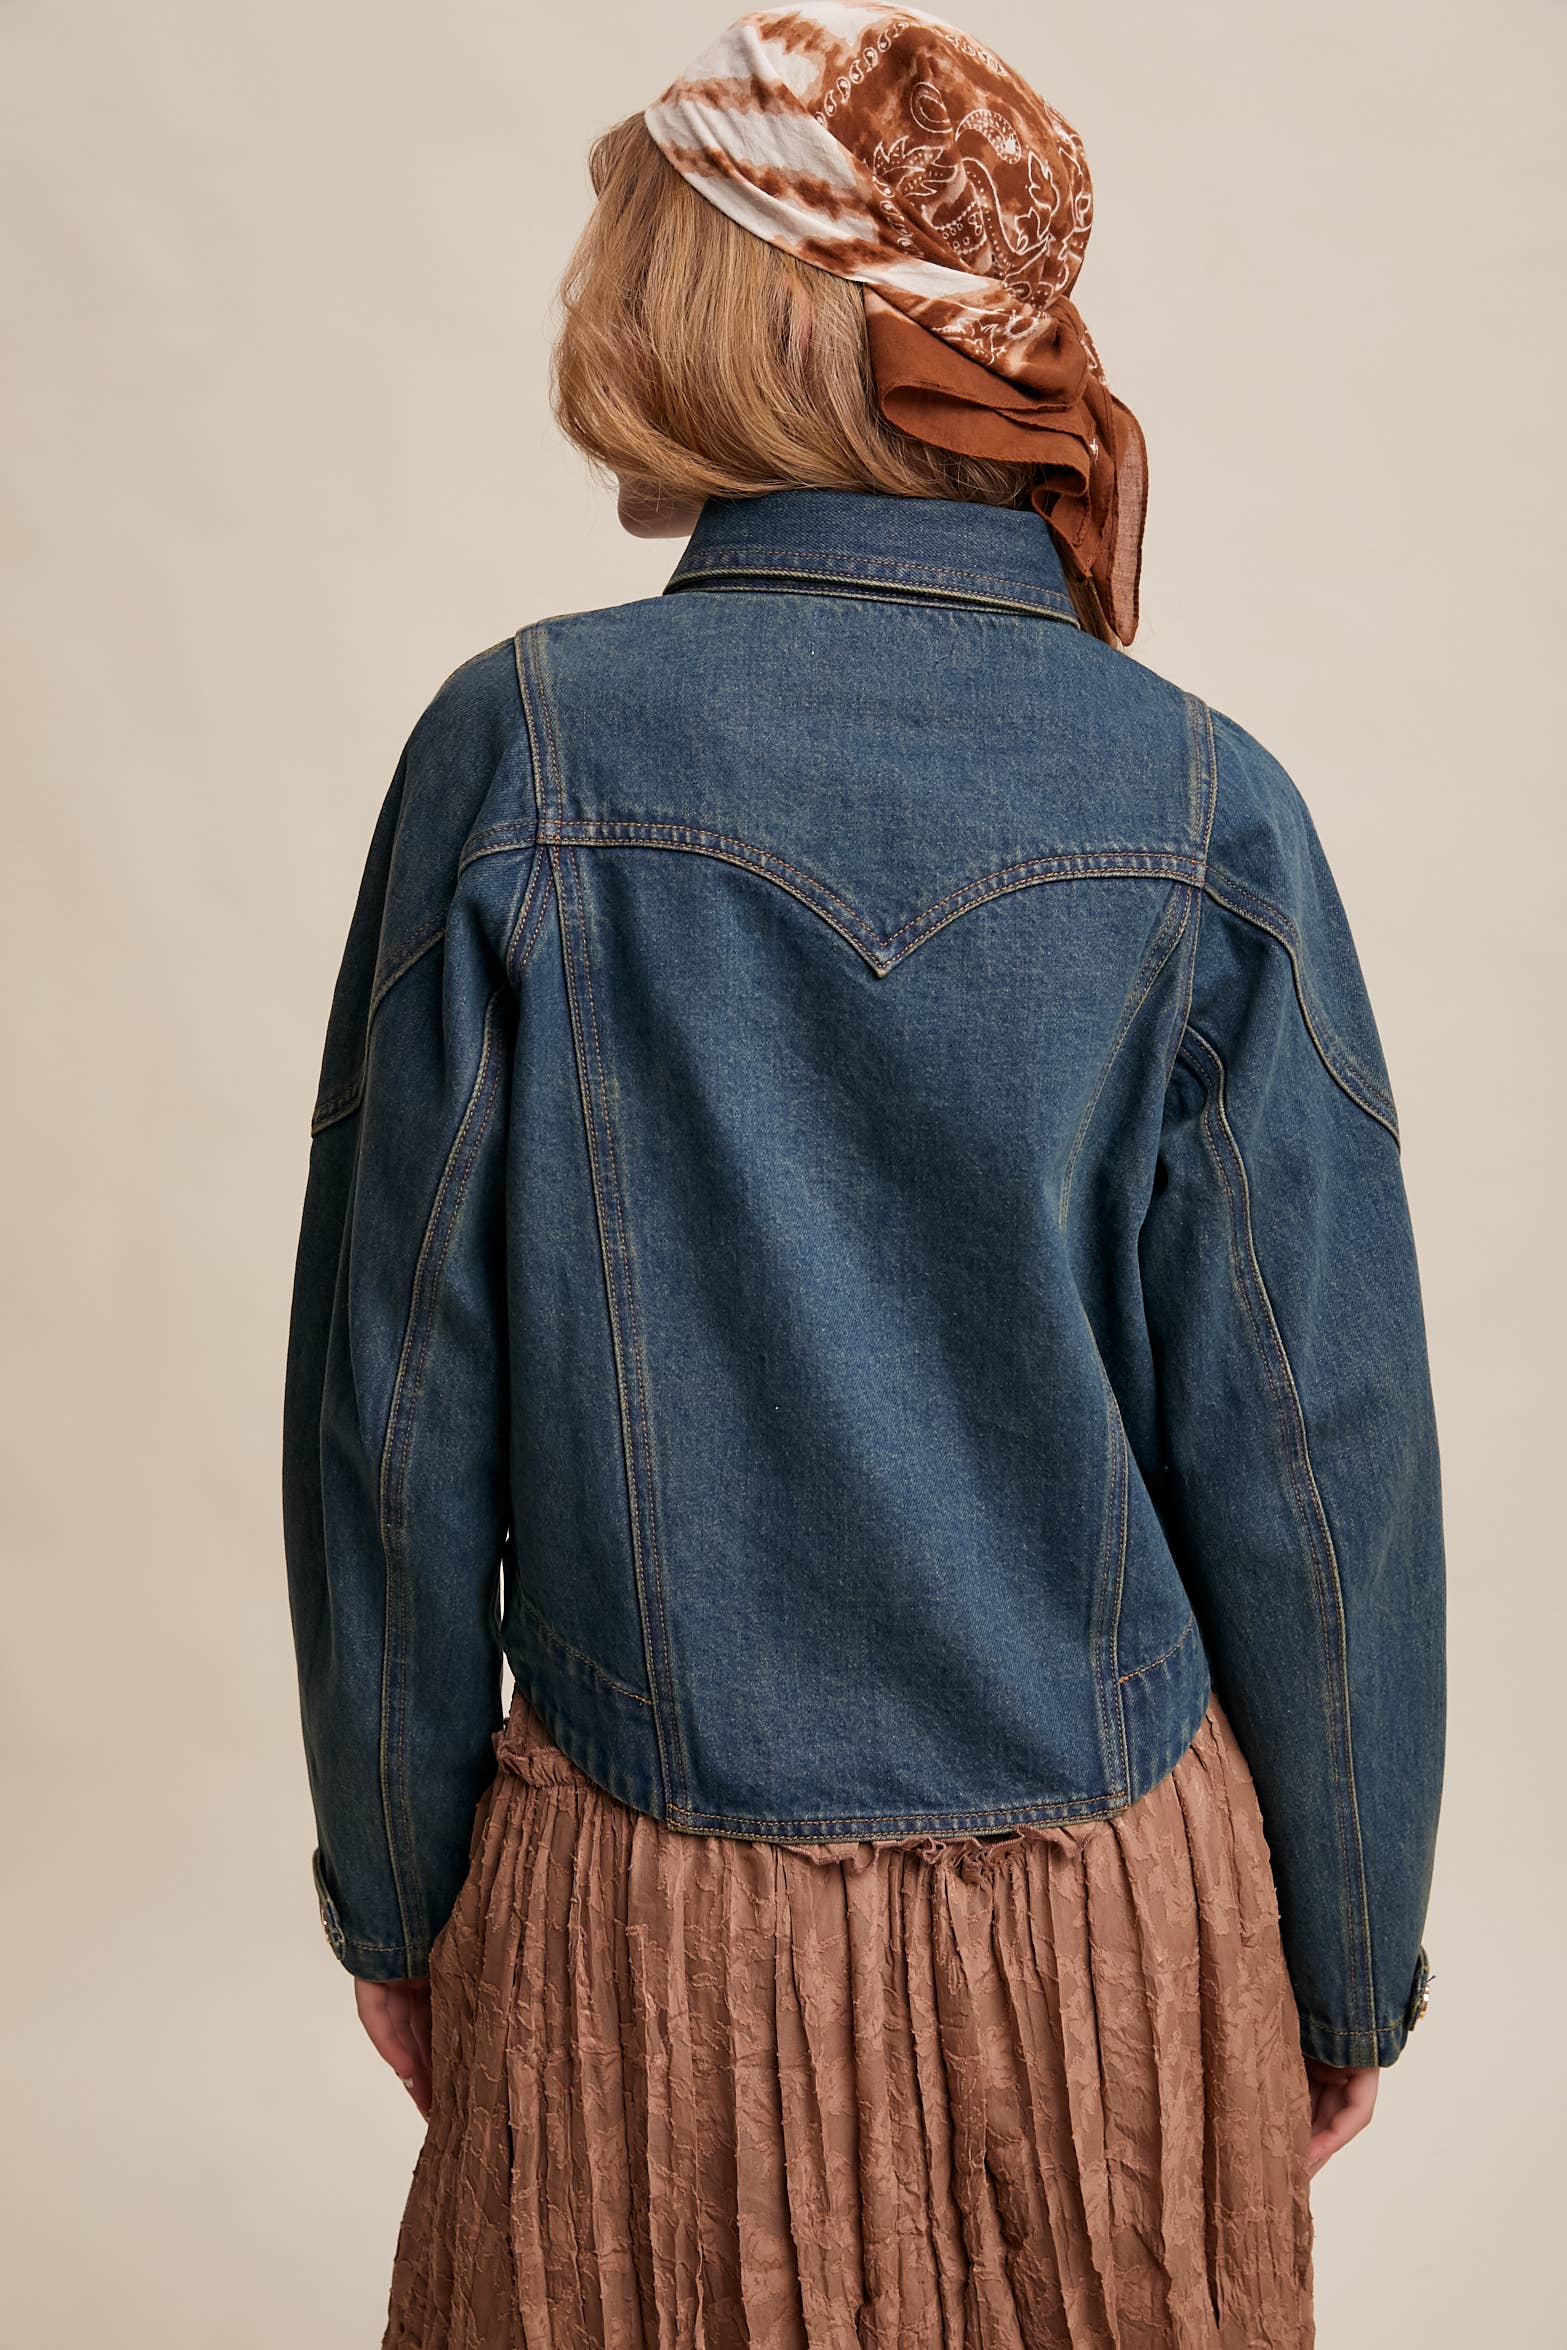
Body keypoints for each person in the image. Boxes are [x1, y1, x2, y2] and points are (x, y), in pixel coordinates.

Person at [281, 8, 1445, 2344]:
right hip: (1111, 1930)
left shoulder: (521, 749)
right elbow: (1318, 1455)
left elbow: (393, 1413)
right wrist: (1342, 1952)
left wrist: (401, 1896)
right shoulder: (1202, 795)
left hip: (643, 1935)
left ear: (722, 310)